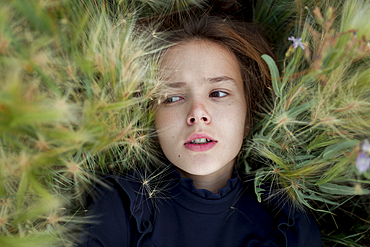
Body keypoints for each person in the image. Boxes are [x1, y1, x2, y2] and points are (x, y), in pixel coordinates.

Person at [77, 14, 322, 247]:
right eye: (172, 98)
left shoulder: (289, 224)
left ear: (248, 117)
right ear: (152, 119)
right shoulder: (122, 205)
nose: (197, 113)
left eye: (217, 93)